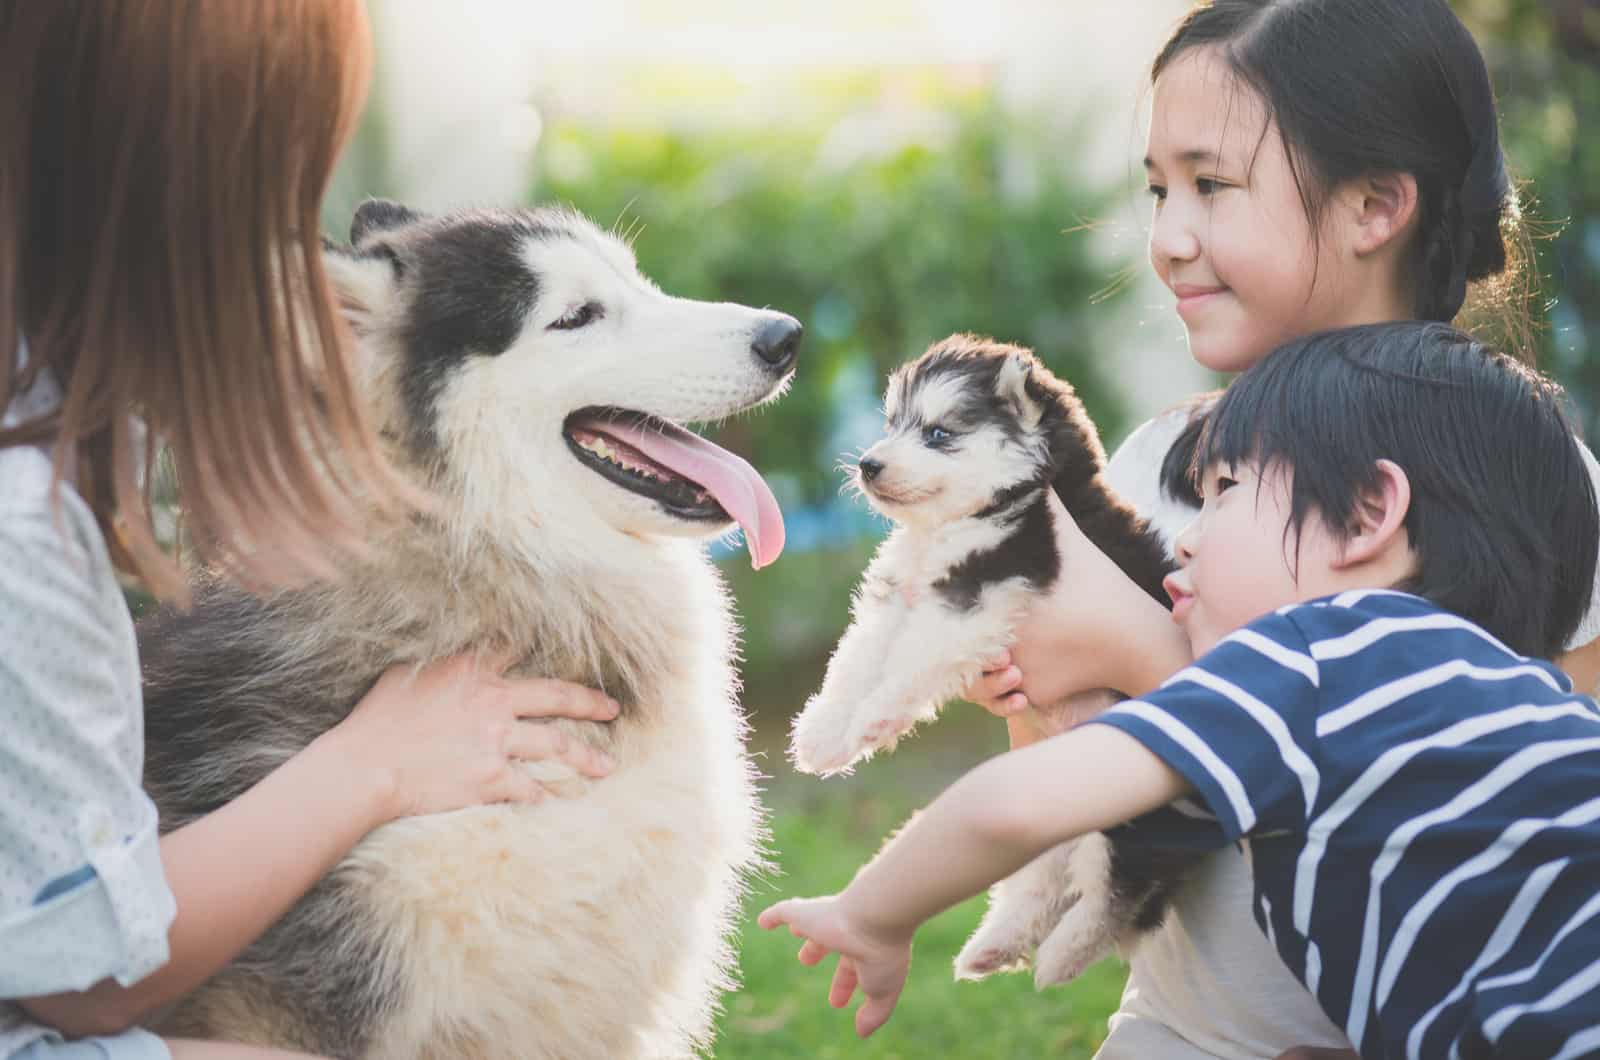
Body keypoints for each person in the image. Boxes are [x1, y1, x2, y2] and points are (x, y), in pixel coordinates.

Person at [962, 1, 1600, 1056]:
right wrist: (1040, 700)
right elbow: (1111, 817)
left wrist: (1134, 645)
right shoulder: (1155, 473)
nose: (1167, 238)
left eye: (1211, 185)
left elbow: (1556, 820)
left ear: (1373, 205)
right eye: (1158, 188)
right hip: (1182, 1030)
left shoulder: (1545, 484)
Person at [0, 4, 618, 1059]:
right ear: (178, 183)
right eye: (282, 180)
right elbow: (85, 977)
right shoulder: (23, 526)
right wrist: (367, 762)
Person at [761, 321, 1600, 1059]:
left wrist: (873, 913)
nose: (1186, 538)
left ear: (1367, 513)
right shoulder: (1519, 688)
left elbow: (1013, 807)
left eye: (1224, 492)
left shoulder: (1316, 653)